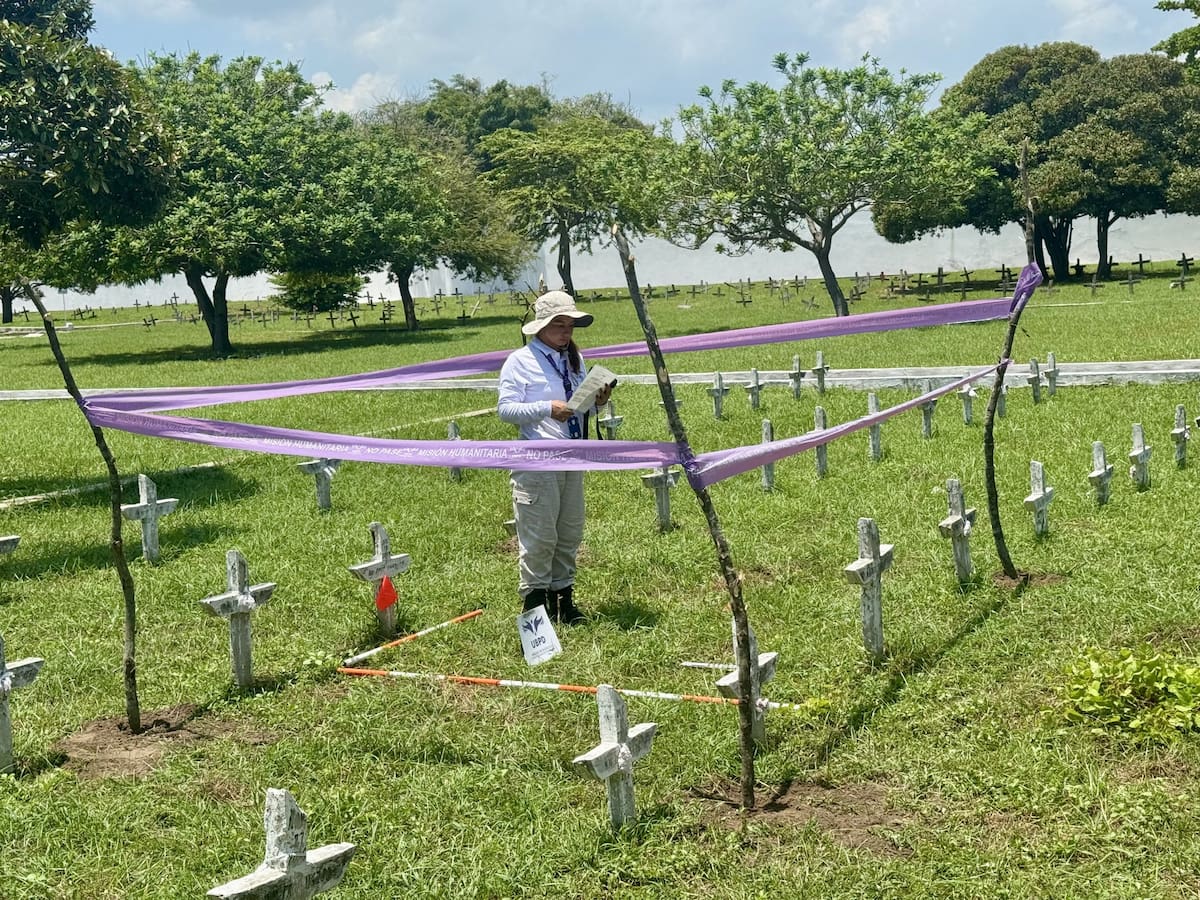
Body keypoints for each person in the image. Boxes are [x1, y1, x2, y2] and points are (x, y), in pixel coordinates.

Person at [497, 291, 613, 624]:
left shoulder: (573, 360)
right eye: (559, 325)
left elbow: (580, 406)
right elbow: (506, 410)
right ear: (541, 328)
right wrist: (547, 408)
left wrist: (599, 400)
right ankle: (535, 607)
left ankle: (564, 600)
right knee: (539, 536)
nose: (566, 332)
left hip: (571, 456)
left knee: (569, 532)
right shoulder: (520, 361)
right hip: (537, 459)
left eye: (570, 326)